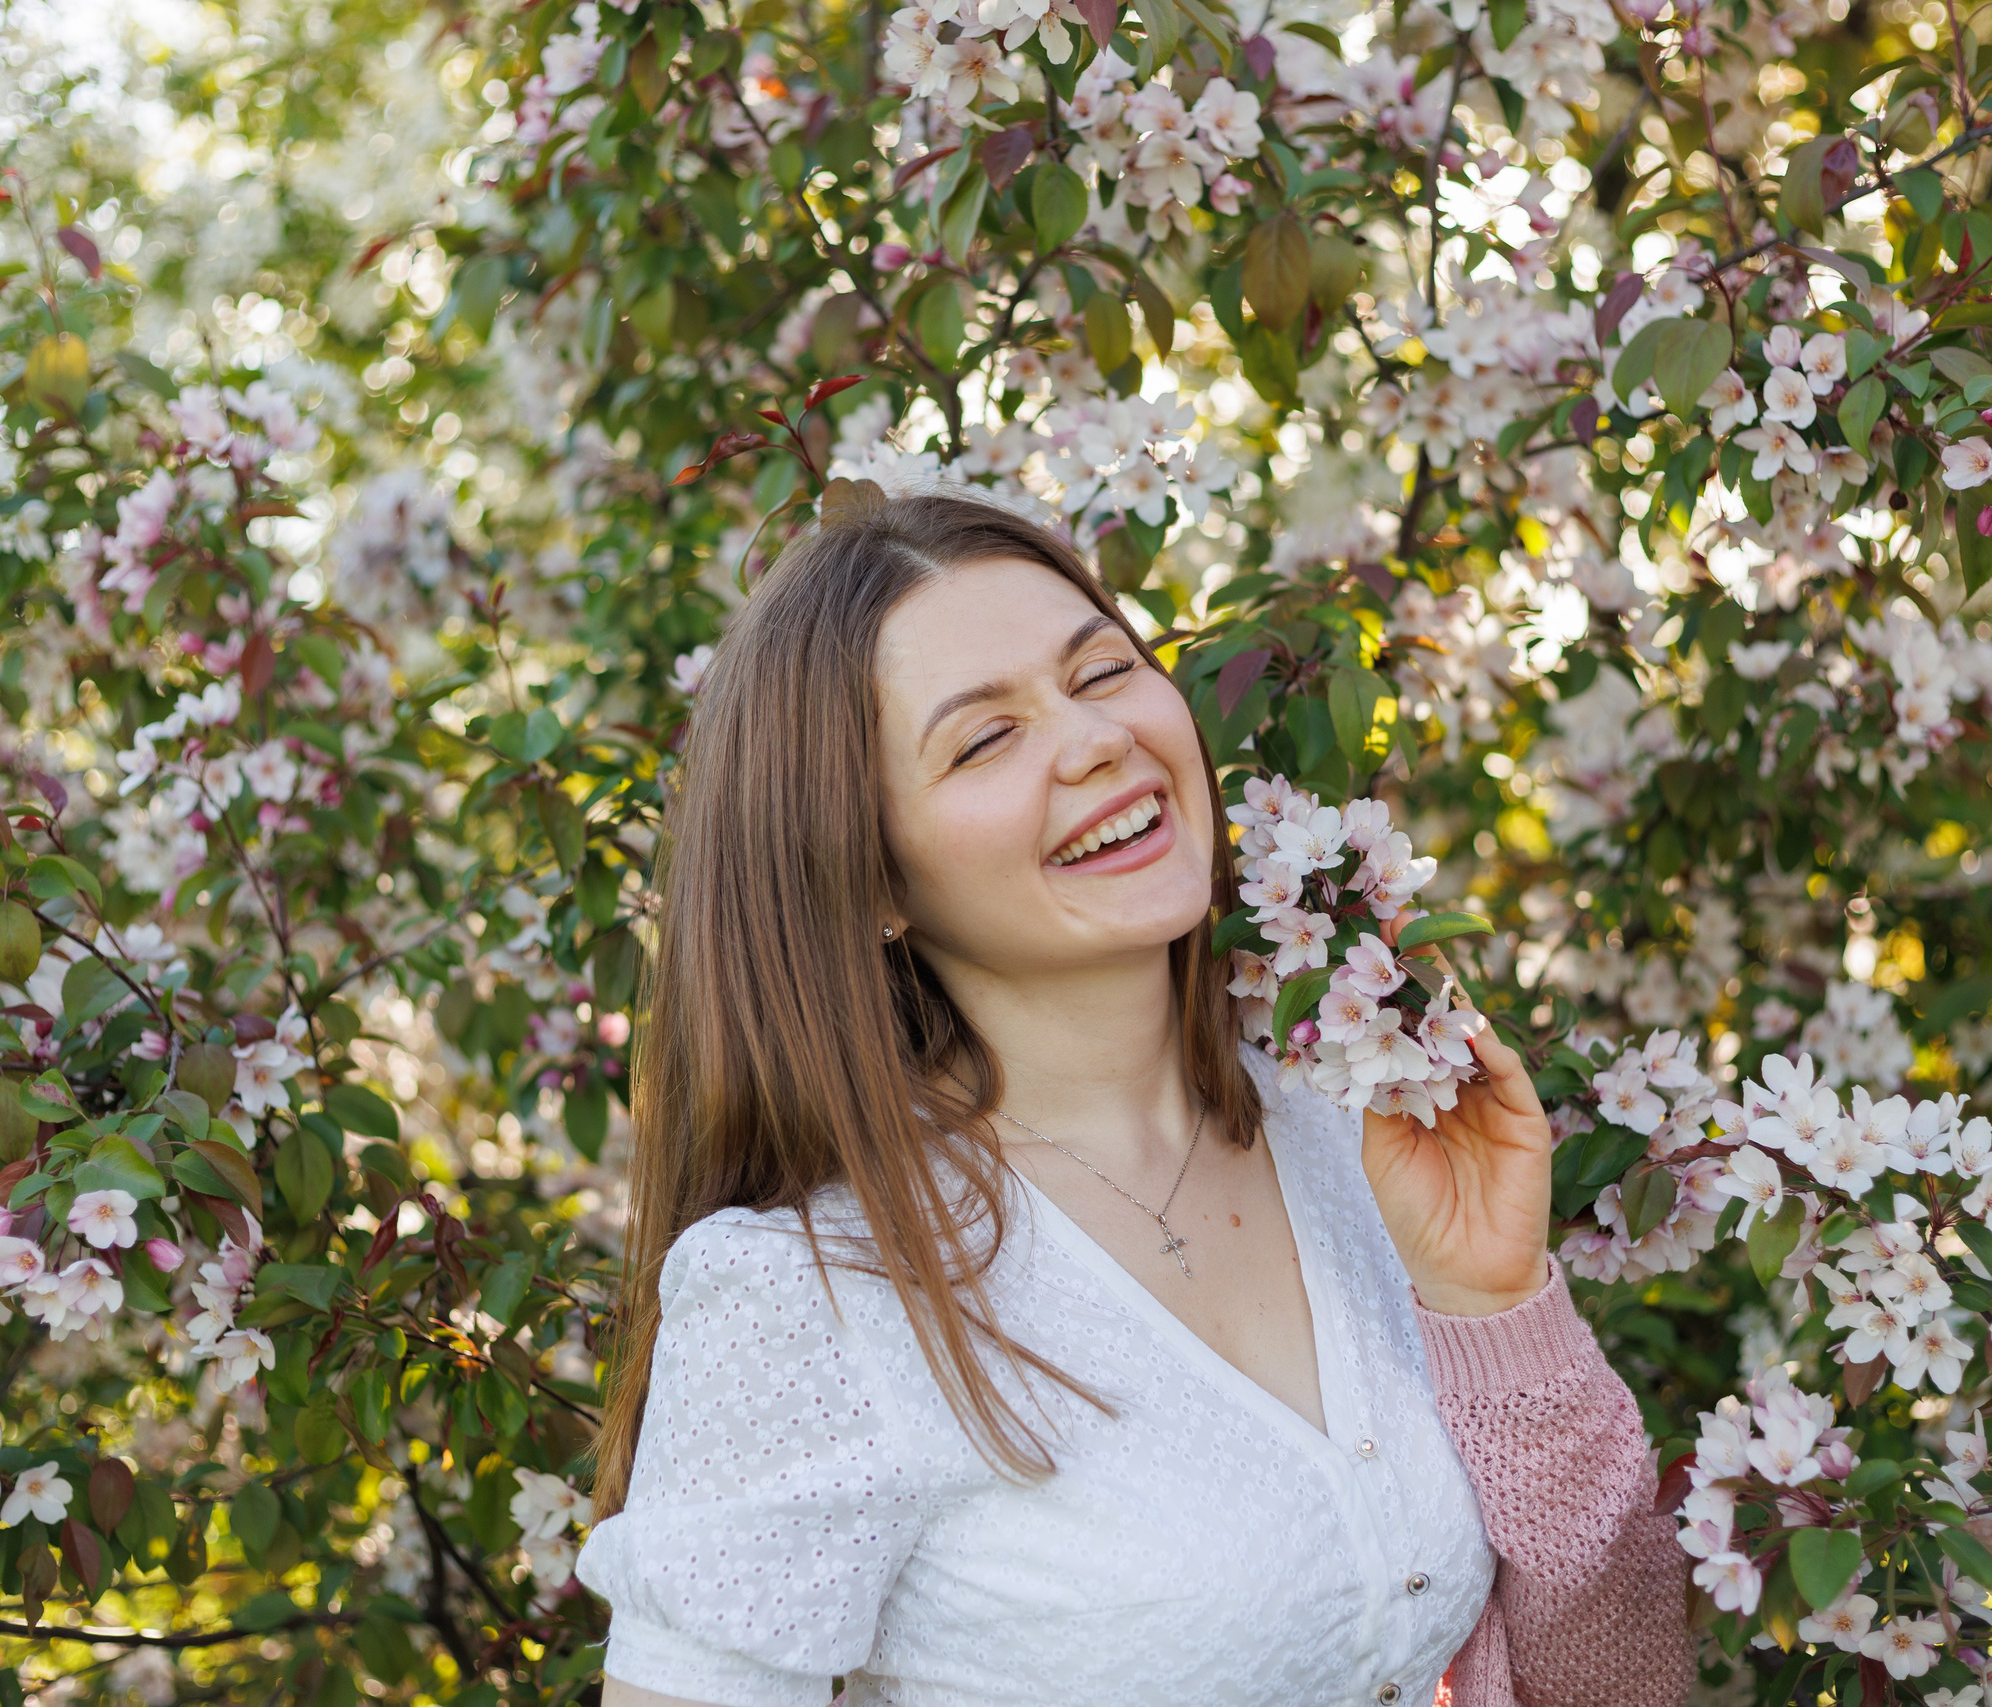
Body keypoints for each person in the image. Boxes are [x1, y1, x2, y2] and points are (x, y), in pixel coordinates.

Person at [575, 490, 1691, 1706]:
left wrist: (1491, 1308)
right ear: (869, 880)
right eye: (982, 740)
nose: (1095, 739)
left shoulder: (1352, 1125)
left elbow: (1621, 1673)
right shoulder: (815, 1300)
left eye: (1101, 670)